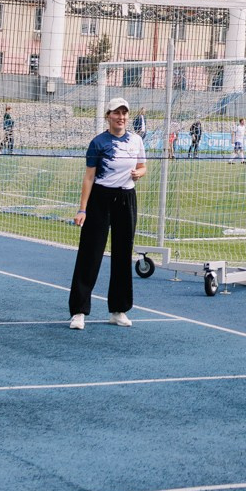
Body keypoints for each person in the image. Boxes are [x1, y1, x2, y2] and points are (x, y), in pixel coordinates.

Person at [68, 99, 148, 330]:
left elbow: (143, 166)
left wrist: (139, 173)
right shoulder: (98, 143)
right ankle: (79, 311)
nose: (120, 117)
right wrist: (82, 209)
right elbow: (89, 177)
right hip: (101, 199)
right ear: (108, 116)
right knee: (90, 254)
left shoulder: (136, 140)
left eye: (124, 113)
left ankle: (118, 310)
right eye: (116, 113)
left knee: (123, 254)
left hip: (126, 199)